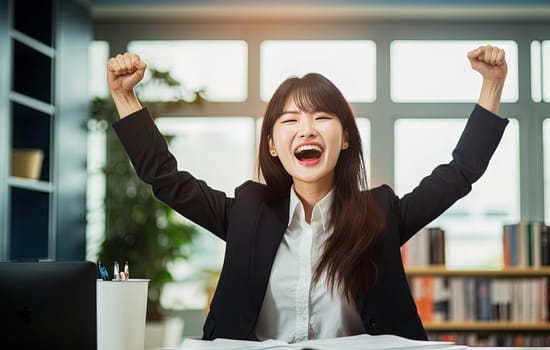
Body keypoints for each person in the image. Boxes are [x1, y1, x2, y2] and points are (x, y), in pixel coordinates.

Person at [106, 45, 509, 342]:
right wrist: (125, 97)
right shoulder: (248, 211)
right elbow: (167, 180)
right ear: (272, 145)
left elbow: (460, 174)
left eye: (321, 117)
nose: (307, 129)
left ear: (346, 138)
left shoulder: (380, 213)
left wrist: (492, 86)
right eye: (290, 120)